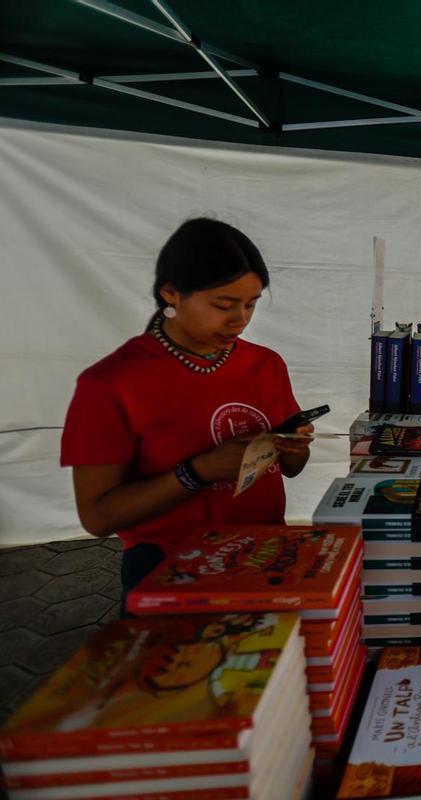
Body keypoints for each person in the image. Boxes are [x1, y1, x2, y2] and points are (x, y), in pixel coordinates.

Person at [61, 218, 312, 614]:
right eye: (224, 305)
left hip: (264, 556)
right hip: (168, 570)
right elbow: (98, 516)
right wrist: (198, 471)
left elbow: (293, 467)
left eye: (251, 304)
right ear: (171, 293)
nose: (240, 319)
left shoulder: (265, 364)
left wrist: (295, 445)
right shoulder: (111, 384)